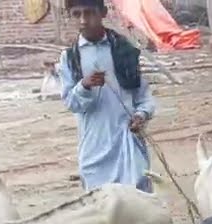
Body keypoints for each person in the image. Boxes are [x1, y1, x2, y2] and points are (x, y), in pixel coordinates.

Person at [59, 0, 156, 192]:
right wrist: (84, 86)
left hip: (127, 143)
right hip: (94, 147)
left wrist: (141, 115)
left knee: (137, 199)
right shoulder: (70, 58)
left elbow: (143, 96)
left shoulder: (124, 51)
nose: (83, 20)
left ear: (103, 12)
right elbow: (71, 102)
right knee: (101, 205)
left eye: (89, 13)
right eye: (77, 14)